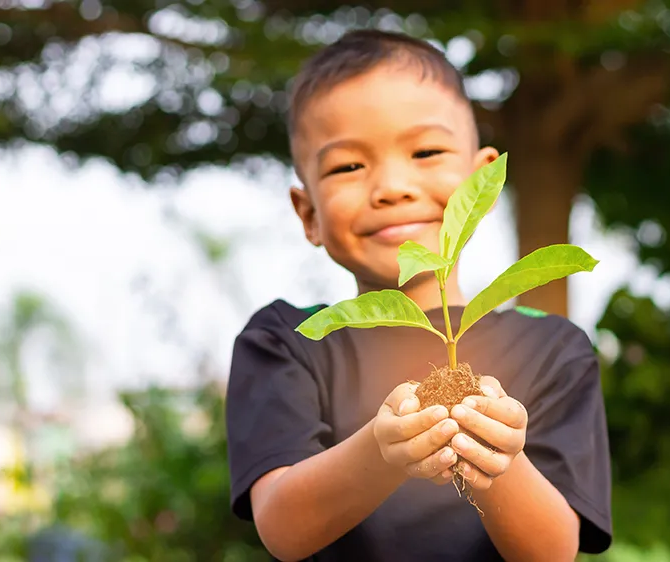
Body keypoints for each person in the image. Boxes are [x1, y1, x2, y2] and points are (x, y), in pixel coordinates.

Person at [226, 28, 612, 561]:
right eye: (347, 166)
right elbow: (283, 527)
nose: (392, 187)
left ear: (483, 184)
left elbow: (552, 553)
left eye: (426, 151)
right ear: (308, 212)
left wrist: (499, 460)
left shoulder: (553, 347)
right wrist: (383, 453)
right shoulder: (286, 340)